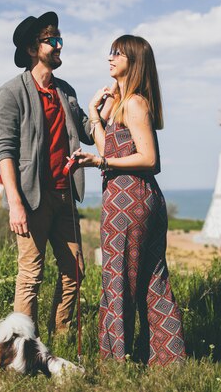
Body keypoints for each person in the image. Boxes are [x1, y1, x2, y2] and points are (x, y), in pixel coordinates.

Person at [75, 34, 186, 365]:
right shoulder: (122, 104)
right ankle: (168, 361)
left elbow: (151, 159)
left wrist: (103, 163)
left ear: (133, 63)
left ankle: (115, 363)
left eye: (118, 54)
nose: (110, 58)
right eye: (110, 52)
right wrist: (96, 116)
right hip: (135, 199)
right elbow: (107, 149)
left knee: (117, 278)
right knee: (152, 280)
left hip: (129, 201)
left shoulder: (135, 103)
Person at [0, 11, 93, 338]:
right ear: (33, 48)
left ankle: (61, 341)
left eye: (59, 38)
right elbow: (4, 150)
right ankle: (22, 349)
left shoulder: (66, 91)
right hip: (32, 199)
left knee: (74, 271)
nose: (59, 45)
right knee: (31, 276)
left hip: (65, 196)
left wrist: (101, 108)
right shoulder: (11, 93)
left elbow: (88, 132)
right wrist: (15, 203)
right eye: (52, 39)